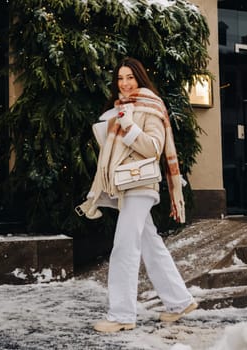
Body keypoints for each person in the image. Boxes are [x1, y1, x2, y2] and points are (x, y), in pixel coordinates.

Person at [76, 57, 197, 333]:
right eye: (120, 78)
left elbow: (154, 147)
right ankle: (179, 301)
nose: (125, 83)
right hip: (126, 185)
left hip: (140, 186)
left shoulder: (150, 107)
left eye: (130, 77)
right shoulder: (122, 108)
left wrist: (129, 127)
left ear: (140, 79)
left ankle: (122, 315)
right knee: (150, 245)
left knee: (124, 248)